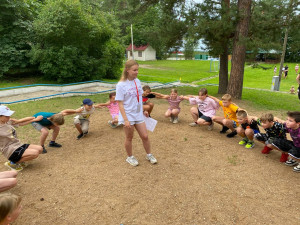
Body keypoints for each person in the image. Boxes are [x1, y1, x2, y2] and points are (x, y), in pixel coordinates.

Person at [115, 60, 157, 167]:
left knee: (145, 136)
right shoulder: (121, 85)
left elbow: (138, 99)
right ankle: (130, 157)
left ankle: (149, 154)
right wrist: (125, 120)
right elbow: (120, 104)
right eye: (134, 70)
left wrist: (143, 110)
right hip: (128, 114)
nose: (137, 72)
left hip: (138, 113)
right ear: (127, 70)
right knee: (129, 137)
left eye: (137, 70)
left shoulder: (137, 81)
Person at [0, 105, 43, 171]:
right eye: (6, 116)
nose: (9, 117)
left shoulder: (7, 121)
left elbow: (20, 122)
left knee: (40, 149)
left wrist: (35, 119)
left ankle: (20, 160)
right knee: (35, 153)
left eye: (9, 115)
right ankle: (12, 163)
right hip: (10, 149)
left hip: (18, 144)